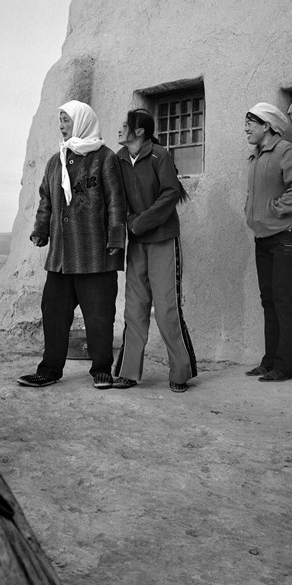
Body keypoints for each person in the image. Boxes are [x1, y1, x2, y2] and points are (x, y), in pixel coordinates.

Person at [18, 100, 126, 389]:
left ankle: (102, 369)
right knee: (53, 312)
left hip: (95, 254)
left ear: (81, 122)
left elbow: (116, 201)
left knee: (99, 316)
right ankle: (49, 370)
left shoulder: (105, 158)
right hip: (61, 257)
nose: (62, 125)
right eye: (61, 120)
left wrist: (116, 238)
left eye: (67, 120)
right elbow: (46, 200)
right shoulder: (56, 161)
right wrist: (41, 230)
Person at [112, 109, 198, 393]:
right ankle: (128, 372)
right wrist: (129, 223)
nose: (120, 129)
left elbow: (171, 193)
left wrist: (140, 223)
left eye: (125, 125)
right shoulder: (119, 159)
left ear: (139, 131)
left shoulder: (160, 155)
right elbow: (117, 198)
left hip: (163, 240)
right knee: (134, 308)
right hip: (137, 244)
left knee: (166, 309)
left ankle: (180, 373)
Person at [243, 102, 292, 382]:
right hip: (263, 237)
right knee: (269, 300)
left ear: (267, 125)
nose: (246, 128)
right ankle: (270, 361)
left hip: (287, 235)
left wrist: (275, 209)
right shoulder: (255, 156)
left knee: (283, 299)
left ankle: (287, 366)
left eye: (251, 123)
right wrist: (251, 210)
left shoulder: (284, 150)